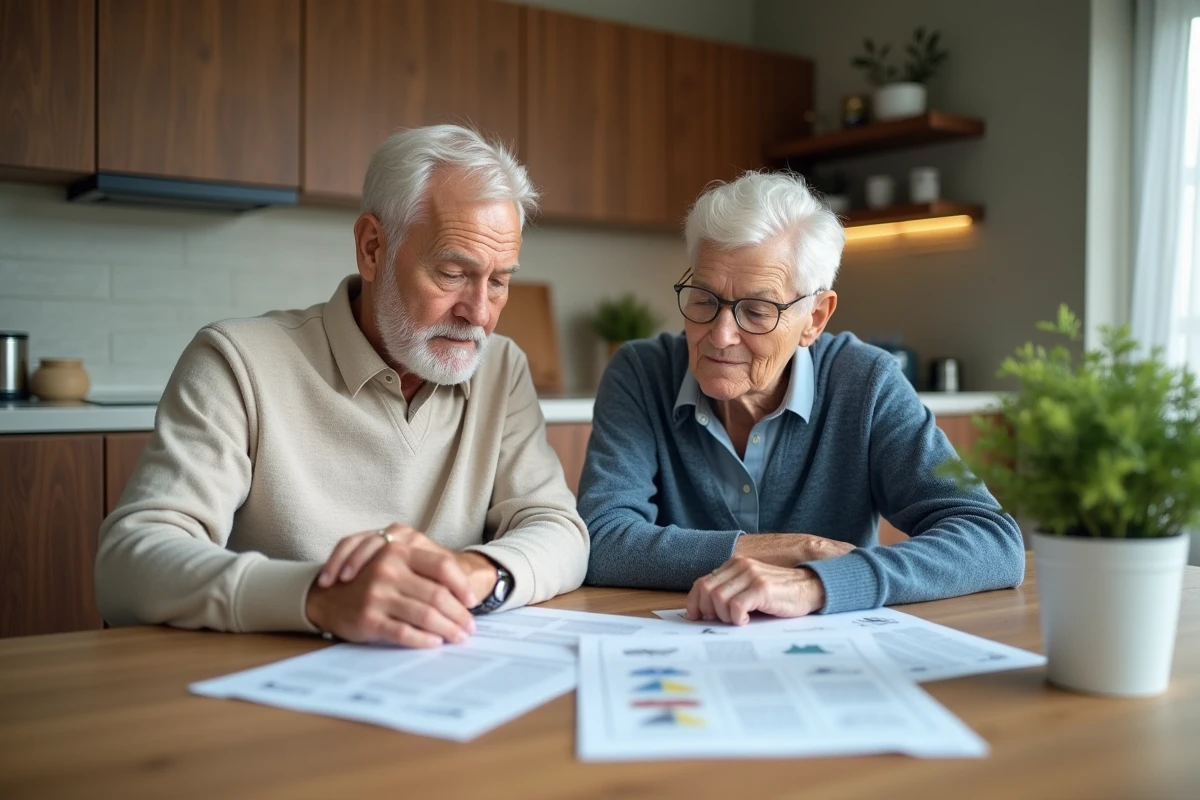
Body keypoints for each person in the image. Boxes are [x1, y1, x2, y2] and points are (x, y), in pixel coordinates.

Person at [96, 125, 589, 647]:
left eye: (498, 281)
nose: (480, 314)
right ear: (373, 248)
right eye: (451, 273)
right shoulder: (237, 361)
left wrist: (474, 572)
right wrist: (319, 597)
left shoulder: (501, 369)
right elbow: (128, 565)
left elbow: (560, 531)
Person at [578, 171, 1023, 624]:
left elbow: (992, 540)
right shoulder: (641, 373)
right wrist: (792, 548)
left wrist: (819, 583)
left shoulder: (866, 382)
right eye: (704, 299)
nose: (721, 334)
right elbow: (600, 539)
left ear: (814, 318)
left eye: (757, 311)